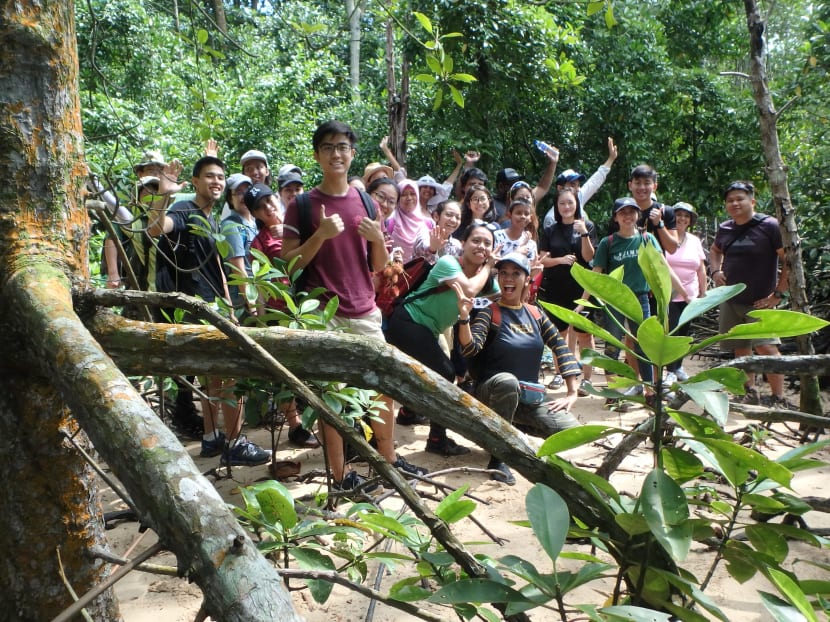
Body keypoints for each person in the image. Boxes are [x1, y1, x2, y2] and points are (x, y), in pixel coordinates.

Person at [281, 120, 426, 492]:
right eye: (328, 147)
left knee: (382, 387)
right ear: (317, 155)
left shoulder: (364, 200)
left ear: (352, 153)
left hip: (364, 310)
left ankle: (389, 463)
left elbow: (377, 265)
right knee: (331, 398)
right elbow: (289, 264)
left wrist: (378, 237)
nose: (336, 154)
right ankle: (340, 476)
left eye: (343, 146)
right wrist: (320, 235)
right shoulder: (301, 205)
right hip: (323, 313)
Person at [147, 156, 272, 466]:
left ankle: (210, 438)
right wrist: (165, 193)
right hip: (193, 307)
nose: (216, 182)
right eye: (209, 177)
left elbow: (215, 267)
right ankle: (235, 442)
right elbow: (156, 228)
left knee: (213, 376)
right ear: (194, 182)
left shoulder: (212, 219)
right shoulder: (184, 210)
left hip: (213, 305)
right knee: (231, 372)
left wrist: (229, 304)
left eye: (220, 177)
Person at [458, 252, 581, 485]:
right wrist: (464, 319)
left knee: (571, 429)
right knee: (507, 382)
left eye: (516, 273)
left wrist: (572, 392)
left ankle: (510, 427)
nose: (508, 278)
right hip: (490, 394)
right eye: (503, 273)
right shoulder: (489, 312)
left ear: (527, 279)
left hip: (526, 399)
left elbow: (560, 347)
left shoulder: (535, 314)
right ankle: (498, 458)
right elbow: (470, 349)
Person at [386, 223, 498, 454]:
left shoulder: (483, 278)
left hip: (427, 331)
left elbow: (502, 293)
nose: (482, 246)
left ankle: (408, 412)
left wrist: (526, 273)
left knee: (425, 370)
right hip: (408, 321)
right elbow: (468, 290)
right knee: (446, 373)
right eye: (476, 240)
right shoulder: (449, 263)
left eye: (488, 243)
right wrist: (488, 266)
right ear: (463, 244)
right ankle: (437, 440)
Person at [245, 183, 320, 449]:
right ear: (256, 214)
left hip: (308, 307)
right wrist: (263, 322)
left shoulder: (298, 225)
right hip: (280, 313)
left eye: (269, 201)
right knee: (284, 372)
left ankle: (325, 421)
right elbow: (261, 288)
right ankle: (296, 426)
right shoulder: (260, 242)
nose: (268, 208)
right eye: (260, 207)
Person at [708, 181, 791, 408]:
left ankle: (778, 397)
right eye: (730, 200)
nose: (735, 203)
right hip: (731, 299)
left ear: (752, 201)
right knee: (740, 346)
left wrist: (778, 295)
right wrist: (715, 271)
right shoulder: (725, 228)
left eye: (740, 199)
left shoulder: (770, 226)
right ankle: (749, 391)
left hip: (761, 301)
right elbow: (715, 250)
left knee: (767, 347)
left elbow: (789, 261)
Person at [584, 197, 660, 404]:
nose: (627, 216)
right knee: (612, 346)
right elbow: (596, 275)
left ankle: (650, 391)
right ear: (615, 217)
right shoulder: (607, 243)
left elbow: (660, 269)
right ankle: (614, 393)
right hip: (614, 299)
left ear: (638, 214)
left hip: (640, 298)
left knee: (643, 345)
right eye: (622, 212)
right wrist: (581, 303)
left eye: (631, 212)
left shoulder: (647, 240)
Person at [538, 188, 598, 395]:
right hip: (557, 286)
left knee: (585, 335)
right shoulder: (550, 230)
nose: (566, 207)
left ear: (577, 205)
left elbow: (589, 257)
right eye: (562, 203)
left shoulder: (587, 226)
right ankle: (560, 373)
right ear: (557, 206)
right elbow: (542, 260)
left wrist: (583, 233)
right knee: (559, 333)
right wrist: (560, 260)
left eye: (570, 203)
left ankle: (587, 379)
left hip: (581, 288)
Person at [664, 202, 706, 384]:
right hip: (669, 294)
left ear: (690, 221)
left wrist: (703, 294)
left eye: (686, 216)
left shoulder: (695, 241)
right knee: (671, 332)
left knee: (685, 334)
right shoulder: (664, 237)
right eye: (678, 214)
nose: (682, 218)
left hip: (691, 296)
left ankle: (678, 367)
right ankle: (670, 371)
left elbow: (701, 268)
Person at [542, 137, 618, 229]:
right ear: (560, 188)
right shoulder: (551, 218)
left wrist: (611, 158)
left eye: (578, 185)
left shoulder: (578, 197)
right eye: (573, 185)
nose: (578, 189)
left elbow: (595, 181)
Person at [220, 173, 256, 318]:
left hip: (260, 296)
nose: (243, 196)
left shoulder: (256, 223)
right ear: (230, 198)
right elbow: (238, 269)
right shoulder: (231, 226)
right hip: (245, 302)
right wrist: (252, 306)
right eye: (238, 192)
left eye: (247, 191)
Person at [626, 164, 678, 254]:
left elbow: (672, 249)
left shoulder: (665, 211)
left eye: (647, 183)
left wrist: (659, 224)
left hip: (655, 266)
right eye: (638, 183)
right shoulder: (622, 211)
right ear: (630, 185)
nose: (642, 187)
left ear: (654, 186)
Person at [387, 179, 432, 262]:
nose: (409, 198)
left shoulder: (428, 223)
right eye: (404, 195)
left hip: (419, 272)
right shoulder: (390, 222)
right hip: (394, 271)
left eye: (413, 194)